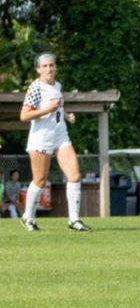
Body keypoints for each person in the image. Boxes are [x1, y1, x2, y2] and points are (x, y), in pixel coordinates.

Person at [19, 52, 89, 232]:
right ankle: (28, 217)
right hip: (41, 138)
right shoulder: (35, 88)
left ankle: (74, 220)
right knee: (40, 180)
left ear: (56, 67)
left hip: (60, 136)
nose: (49, 69)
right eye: (44, 66)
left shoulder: (57, 85)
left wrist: (66, 115)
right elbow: (24, 115)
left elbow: (56, 107)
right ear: (38, 70)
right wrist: (47, 109)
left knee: (74, 176)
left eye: (51, 65)